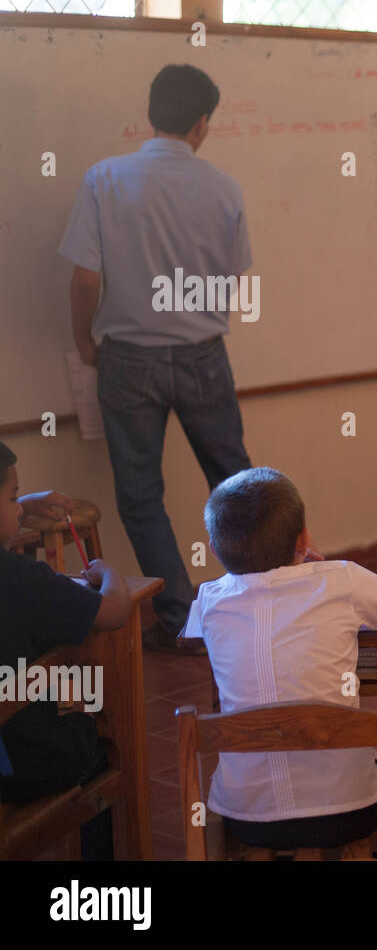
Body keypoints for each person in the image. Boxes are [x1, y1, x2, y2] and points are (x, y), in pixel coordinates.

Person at [58, 64, 253, 653]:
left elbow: (85, 280)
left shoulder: (105, 179)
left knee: (141, 497)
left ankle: (182, 620)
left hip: (128, 358)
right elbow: (233, 282)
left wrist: (87, 343)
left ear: (151, 113)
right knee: (237, 484)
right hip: (202, 355)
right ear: (201, 123)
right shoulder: (223, 188)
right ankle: (257, 602)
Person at [181, 468, 377, 849]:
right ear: (304, 539)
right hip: (348, 813)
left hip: (246, 817)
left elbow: (206, 624)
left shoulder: (208, 600)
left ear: (214, 549)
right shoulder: (342, 580)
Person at [0, 441, 130, 857]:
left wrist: (25, 500)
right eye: (13, 496)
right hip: (24, 764)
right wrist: (110, 573)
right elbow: (114, 612)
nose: (20, 508)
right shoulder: (22, 579)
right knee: (89, 732)